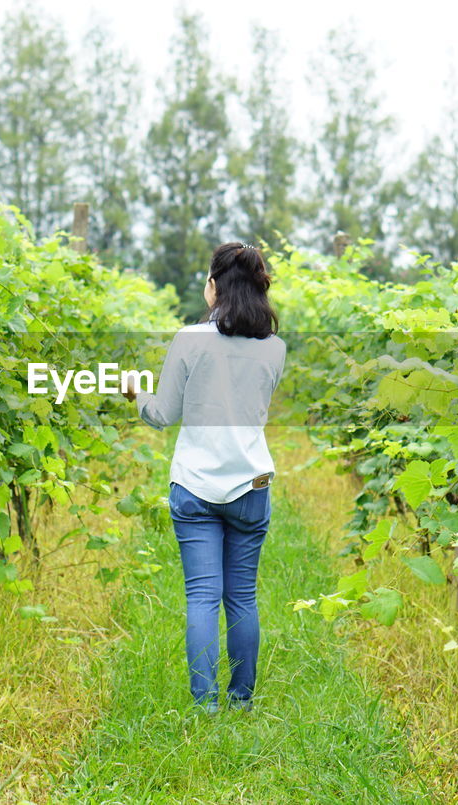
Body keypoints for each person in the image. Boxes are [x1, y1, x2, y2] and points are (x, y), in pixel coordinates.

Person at [121, 242, 286, 714]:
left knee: (201, 597)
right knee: (242, 598)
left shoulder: (189, 339)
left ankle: (204, 705)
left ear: (214, 287)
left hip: (195, 485)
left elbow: (161, 414)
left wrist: (135, 392)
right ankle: (241, 701)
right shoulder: (274, 348)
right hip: (251, 485)